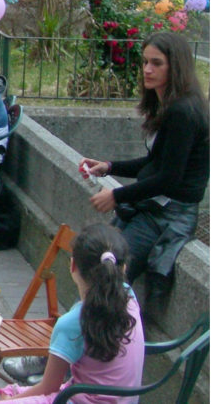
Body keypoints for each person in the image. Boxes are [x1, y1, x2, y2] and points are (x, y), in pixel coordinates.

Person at [78, 32, 208, 296]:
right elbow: (154, 163)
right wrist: (110, 167)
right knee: (98, 261)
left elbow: (169, 178)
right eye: (145, 62)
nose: (147, 70)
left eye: (157, 63)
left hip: (169, 215)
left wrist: (116, 195)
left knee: (109, 278)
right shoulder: (169, 105)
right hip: (153, 207)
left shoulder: (184, 111)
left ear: (176, 66)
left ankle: (113, 334)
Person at [0, 224, 144, 403]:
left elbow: (48, 388)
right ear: (124, 268)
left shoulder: (72, 322)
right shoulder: (129, 296)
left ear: (72, 266)